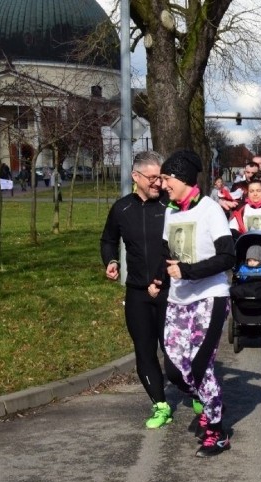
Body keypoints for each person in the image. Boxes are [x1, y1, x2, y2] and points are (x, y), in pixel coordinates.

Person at [150, 149, 235, 458]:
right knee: (175, 371)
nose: (162, 184)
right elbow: (165, 252)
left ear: (182, 177)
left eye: (166, 178)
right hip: (177, 300)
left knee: (199, 366)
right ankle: (212, 399)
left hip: (209, 297)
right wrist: (159, 279)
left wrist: (187, 271)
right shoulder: (171, 210)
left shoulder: (210, 209)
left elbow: (228, 257)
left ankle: (217, 429)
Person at [100, 150, 176, 429]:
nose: (159, 183)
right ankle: (160, 404)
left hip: (170, 290)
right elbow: (108, 240)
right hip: (137, 293)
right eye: (153, 177)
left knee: (174, 351)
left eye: (162, 177)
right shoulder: (122, 209)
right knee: (144, 350)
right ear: (136, 177)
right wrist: (110, 261)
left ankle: (194, 391)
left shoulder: (172, 206)